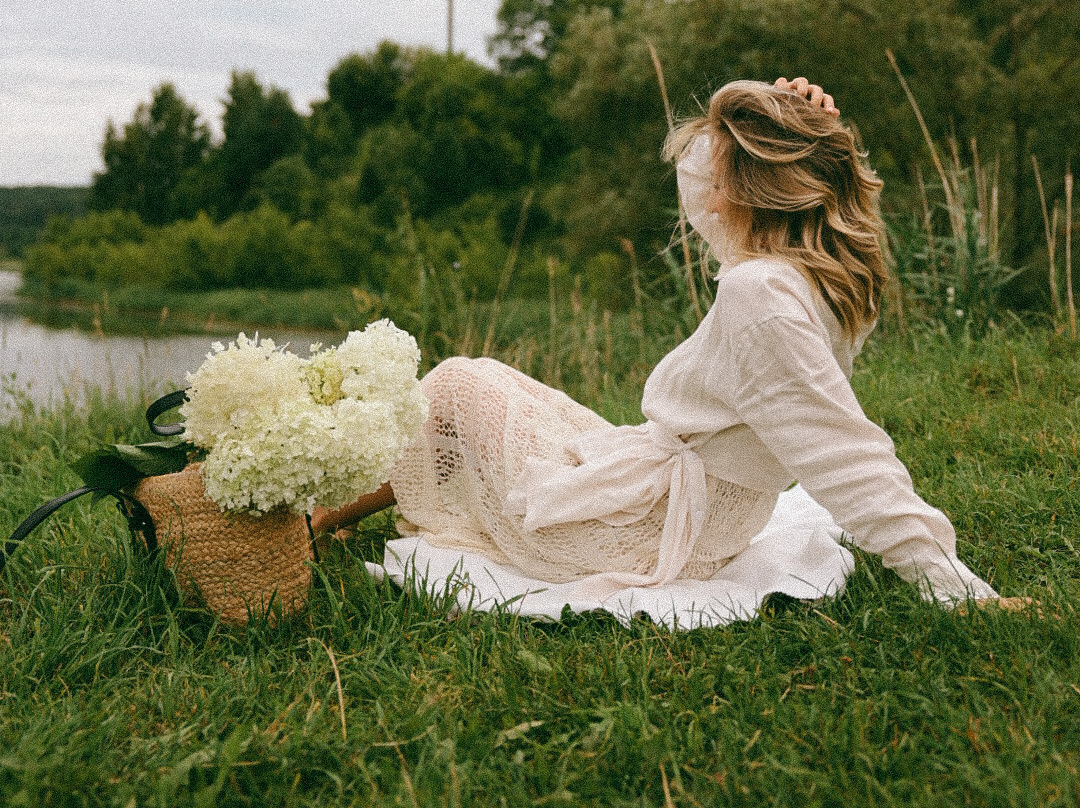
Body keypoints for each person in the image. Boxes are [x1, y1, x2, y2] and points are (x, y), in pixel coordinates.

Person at [319, 76, 1021, 610]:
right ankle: (339, 513)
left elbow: (846, 454)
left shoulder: (759, 296)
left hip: (659, 534)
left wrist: (953, 586)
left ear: (737, 193)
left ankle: (321, 517)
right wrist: (811, 125)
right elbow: (746, 196)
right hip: (703, 510)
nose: (699, 191)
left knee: (453, 384)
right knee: (507, 390)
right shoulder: (828, 278)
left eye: (714, 172)